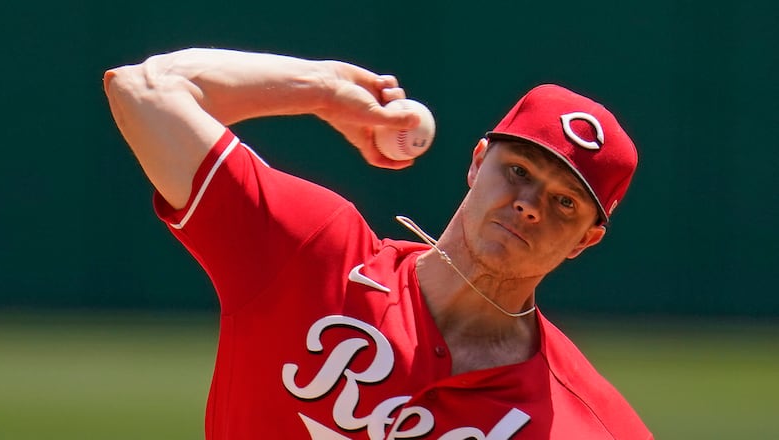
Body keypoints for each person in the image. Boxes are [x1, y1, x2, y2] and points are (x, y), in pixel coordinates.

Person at [104, 47, 652, 440]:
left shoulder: (589, 423)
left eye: (564, 203)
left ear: (586, 240)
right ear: (478, 162)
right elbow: (144, 88)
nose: (529, 204)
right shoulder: (312, 252)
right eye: (519, 171)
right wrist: (323, 89)